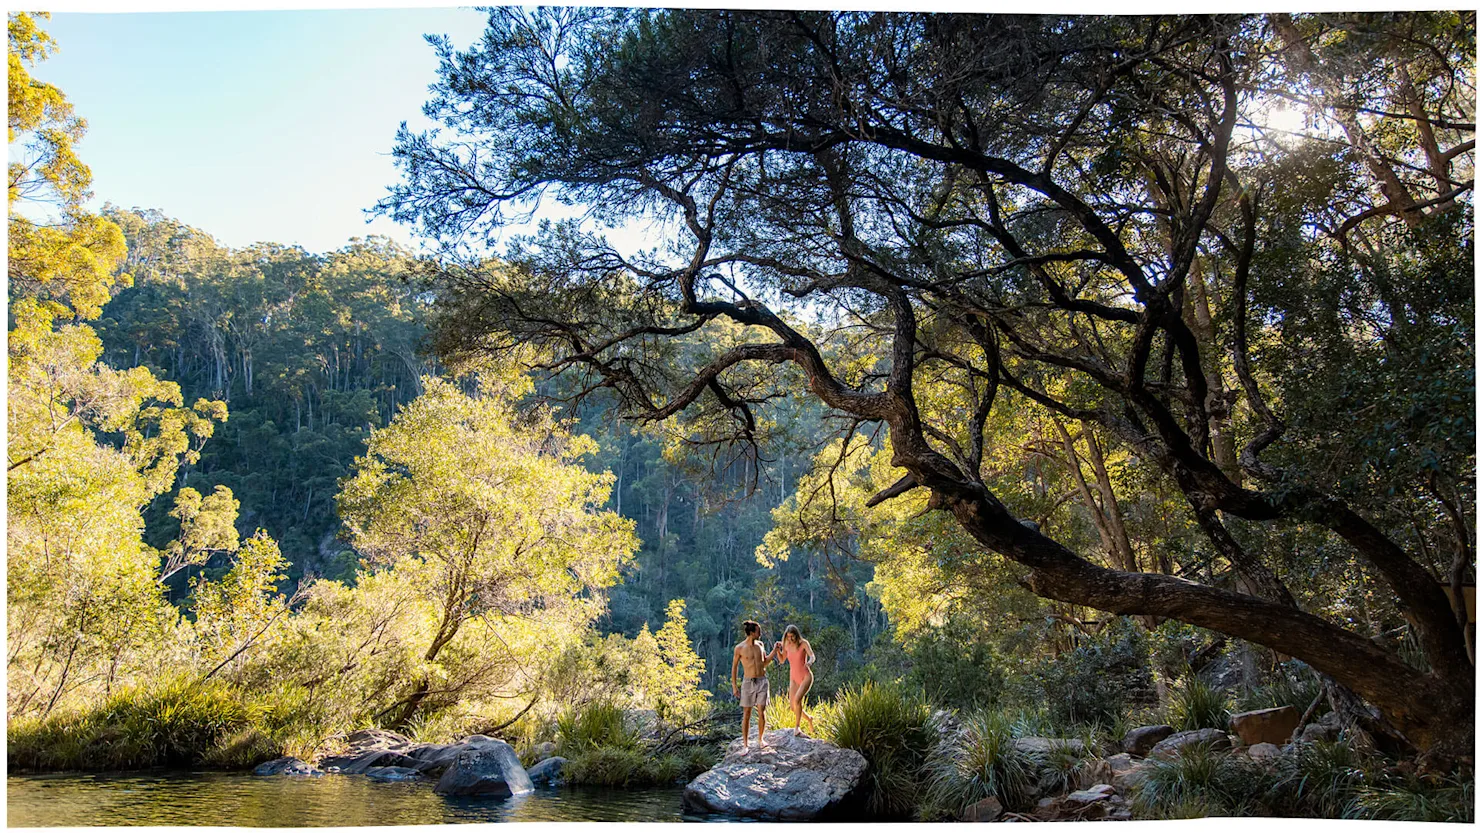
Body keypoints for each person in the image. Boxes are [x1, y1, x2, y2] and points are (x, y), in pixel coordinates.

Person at [730, 620, 773, 749]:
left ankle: (761, 739)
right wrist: (734, 686)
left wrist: (775, 651)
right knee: (747, 713)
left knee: (761, 710)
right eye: (758, 631)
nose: (760, 634)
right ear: (752, 632)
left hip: (762, 680)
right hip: (748, 682)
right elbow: (734, 668)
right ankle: (745, 744)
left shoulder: (760, 645)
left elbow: (764, 662)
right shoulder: (740, 648)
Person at [771, 624, 816, 735]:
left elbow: (812, 655)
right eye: (788, 636)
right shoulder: (786, 644)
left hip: (806, 676)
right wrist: (777, 650)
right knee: (792, 707)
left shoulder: (803, 643)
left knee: (797, 700)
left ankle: (797, 727)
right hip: (793, 678)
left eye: (792, 636)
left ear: (797, 635)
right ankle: (809, 719)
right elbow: (782, 660)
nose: (790, 639)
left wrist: (810, 662)